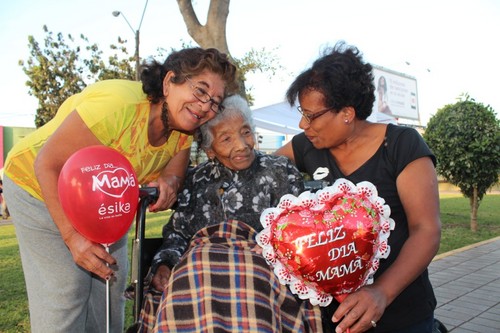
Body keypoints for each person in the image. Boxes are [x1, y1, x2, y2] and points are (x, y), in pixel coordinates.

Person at [2, 47, 238, 333]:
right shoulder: (118, 106)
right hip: (37, 186)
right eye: (200, 91)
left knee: (109, 283)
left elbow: (174, 173)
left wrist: (170, 184)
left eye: (215, 101)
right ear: (169, 82)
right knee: (67, 289)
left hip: (100, 204)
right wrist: (72, 237)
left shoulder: (182, 132)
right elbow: (47, 164)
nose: (205, 107)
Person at [275, 41, 441, 333]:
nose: (303, 124)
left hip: (401, 316)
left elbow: (426, 230)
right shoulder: (306, 147)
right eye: (302, 112)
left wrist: (381, 292)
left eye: (312, 115)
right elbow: (258, 168)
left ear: (347, 113)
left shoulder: (401, 146)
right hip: (330, 320)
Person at [135, 95, 323, 332]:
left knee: (250, 280)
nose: (242, 145)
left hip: (260, 267)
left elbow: (299, 232)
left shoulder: (279, 171)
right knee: (193, 271)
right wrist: (164, 264)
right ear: (209, 150)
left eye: (246, 132)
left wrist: (271, 248)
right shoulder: (195, 180)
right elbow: (178, 233)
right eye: (226, 138)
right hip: (200, 270)